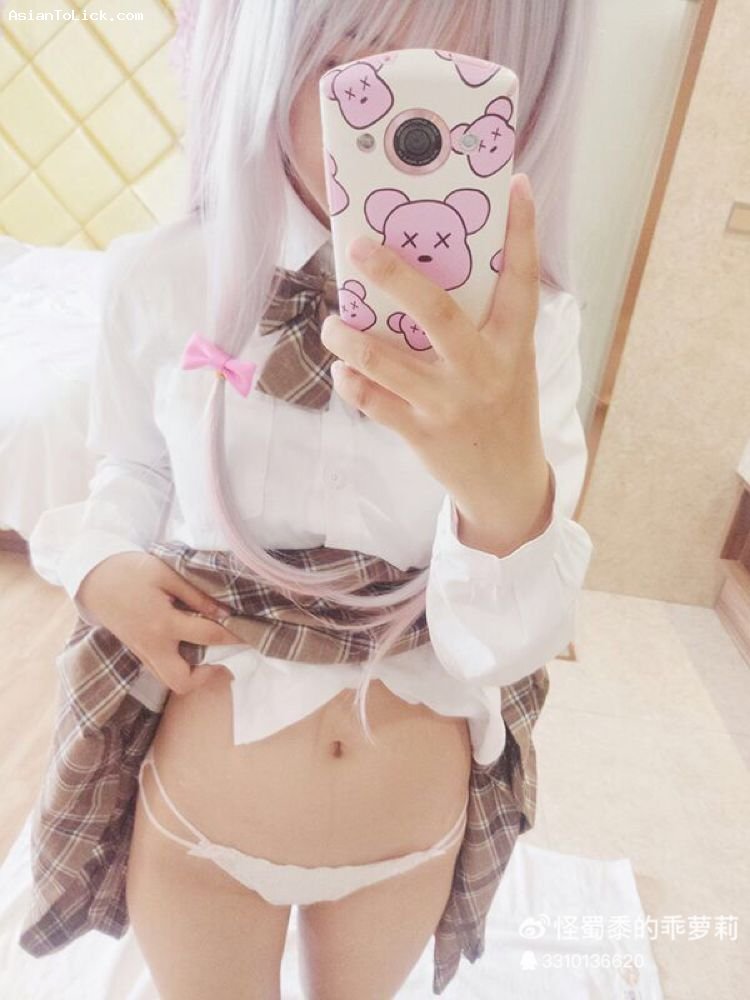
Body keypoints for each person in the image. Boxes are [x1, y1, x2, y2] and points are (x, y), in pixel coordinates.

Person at [25, 0, 596, 996]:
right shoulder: (163, 278)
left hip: (407, 836)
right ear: (265, 53)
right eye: (349, 61)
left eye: (459, 83)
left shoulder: (532, 335)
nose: (398, 125)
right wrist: (100, 562)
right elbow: (131, 468)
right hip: (202, 826)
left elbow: (503, 648)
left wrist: (504, 494)